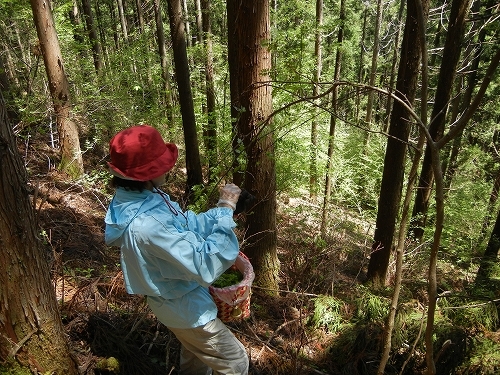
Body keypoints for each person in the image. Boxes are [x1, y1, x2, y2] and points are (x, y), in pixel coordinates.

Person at [104, 125, 249, 375]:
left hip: (179, 300)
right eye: (161, 164)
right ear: (145, 174)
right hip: (184, 307)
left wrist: (223, 211)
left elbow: (185, 224)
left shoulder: (143, 197)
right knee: (236, 363)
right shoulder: (148, 224)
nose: (168, 168)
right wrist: (225, 211)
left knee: (196, 357)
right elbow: (206, 264)